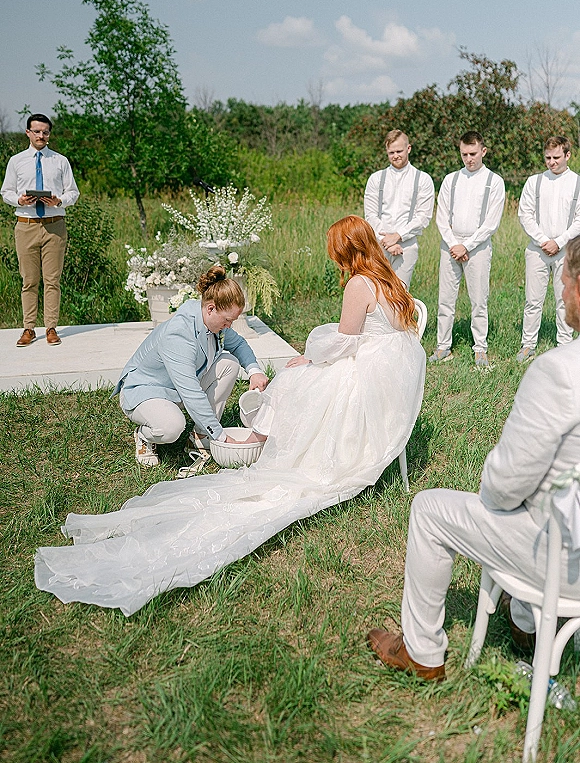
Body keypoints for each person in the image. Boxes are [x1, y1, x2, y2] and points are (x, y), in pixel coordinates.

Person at [34, 216, 426, 616]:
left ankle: (273, 445)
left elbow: (341, 342)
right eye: (229, 318)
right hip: (388, 386)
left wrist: (300, 359)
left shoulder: (359, 284)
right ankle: (182, 434)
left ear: (346, 251)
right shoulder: (391, 279)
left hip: (364, 378)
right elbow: (189, 387)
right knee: (275, 383)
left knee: (294, 383)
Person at [367, 234, 580, 682]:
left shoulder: (560, 371)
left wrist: (499, 483)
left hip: (566, 563)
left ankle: (423, 653)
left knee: (429, 509)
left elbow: (503, 487)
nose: (560, 293)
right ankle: (523, 623)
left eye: (564, 281)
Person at [112, 265, 268, 466]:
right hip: (147, 391)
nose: (229, 326)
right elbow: (191, 392)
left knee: (229, 363)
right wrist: (221, 437)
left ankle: (200, 435)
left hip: (176, 390)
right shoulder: (178, 335)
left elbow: (238, 343)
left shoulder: (209, 319)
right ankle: (145, 435)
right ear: (211, 308)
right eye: (228, 320)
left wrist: (254, 371)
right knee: (171, 427)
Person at [1, 113, 79, 346]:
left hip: (54, 226)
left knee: (52, 280)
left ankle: (51, 328)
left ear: (49, 134)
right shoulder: (16, 161)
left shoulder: (60, 161)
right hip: (26, 226)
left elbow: (73, 193)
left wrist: (59, 201)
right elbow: (6, 191)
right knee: (29, 280)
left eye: (45, 132)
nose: (41, 136)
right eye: (36, 131)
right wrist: (19, 201)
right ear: (28, 133)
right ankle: (28, 328)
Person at [429, 131, 505, 368]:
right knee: (445, 299)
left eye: (473, 153)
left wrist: (467, 245)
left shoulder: (495, 181)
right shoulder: (451, 179)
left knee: (479, 299)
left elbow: (491, 222)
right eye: (464, 154)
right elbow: (441, 216)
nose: (469, 159)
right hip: (450, 246)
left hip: (478, 247)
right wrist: (454, 244)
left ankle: (480, 347)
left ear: (483, 151)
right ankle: (443, 346)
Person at [516, 135, 580, 363]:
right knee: (533, 299)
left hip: (566, 250)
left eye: (556, 157)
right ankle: (528, 344)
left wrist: (559, 242)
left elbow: (579, 220)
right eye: (547, 158)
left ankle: (564, 345)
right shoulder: (534, 182)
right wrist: (544, 240)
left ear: (567, 155)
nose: (551, 162)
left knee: (564, 299)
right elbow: (525, 214)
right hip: (537, 248)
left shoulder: (577, 182)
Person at [364, 129, 435, 289]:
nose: (395, 155)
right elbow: (370, 214)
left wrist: (397, 236)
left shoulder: (422, 179)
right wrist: (386, 241)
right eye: (391, 152)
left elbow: (423, 217)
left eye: (399, 151)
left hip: (406, 246)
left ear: (408, 148)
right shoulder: (376, 178)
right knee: (377, 291)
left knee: (400, 293)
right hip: (378, 244)